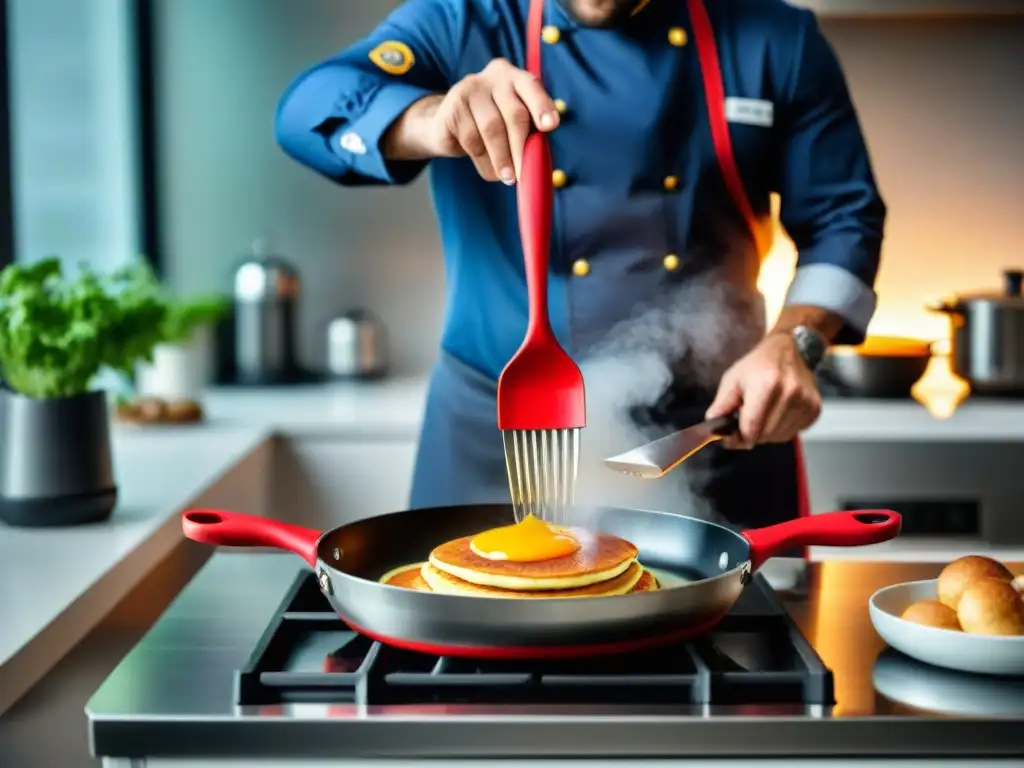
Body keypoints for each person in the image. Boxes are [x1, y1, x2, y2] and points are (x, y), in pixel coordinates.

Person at [275, 0, 885, 528]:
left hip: (710, 427)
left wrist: (795, 341)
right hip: (496, 432)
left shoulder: (775, 38)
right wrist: (430, 120)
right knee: (460, 650)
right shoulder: (464, 21)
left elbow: (843, 218)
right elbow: (305, 111)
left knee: (742, 653)